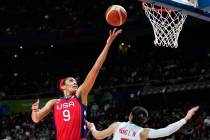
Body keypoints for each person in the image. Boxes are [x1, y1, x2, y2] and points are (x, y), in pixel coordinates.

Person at [31, 28, 122, 140]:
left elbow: (95, 68)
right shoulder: (54, 103)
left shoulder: (79, 95)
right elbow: (36, 119)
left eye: (75, 81)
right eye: (71, 81)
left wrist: (108, 44)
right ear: (63, 86)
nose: (75, 83)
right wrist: (35, 110)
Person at [87, 106, 199, 140]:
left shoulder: (116, 125)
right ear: (145, 120)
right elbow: (166, 131)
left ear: (130, 115)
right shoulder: (143, 133)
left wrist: (92, 128)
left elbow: (97, 136)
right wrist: (186, 118)